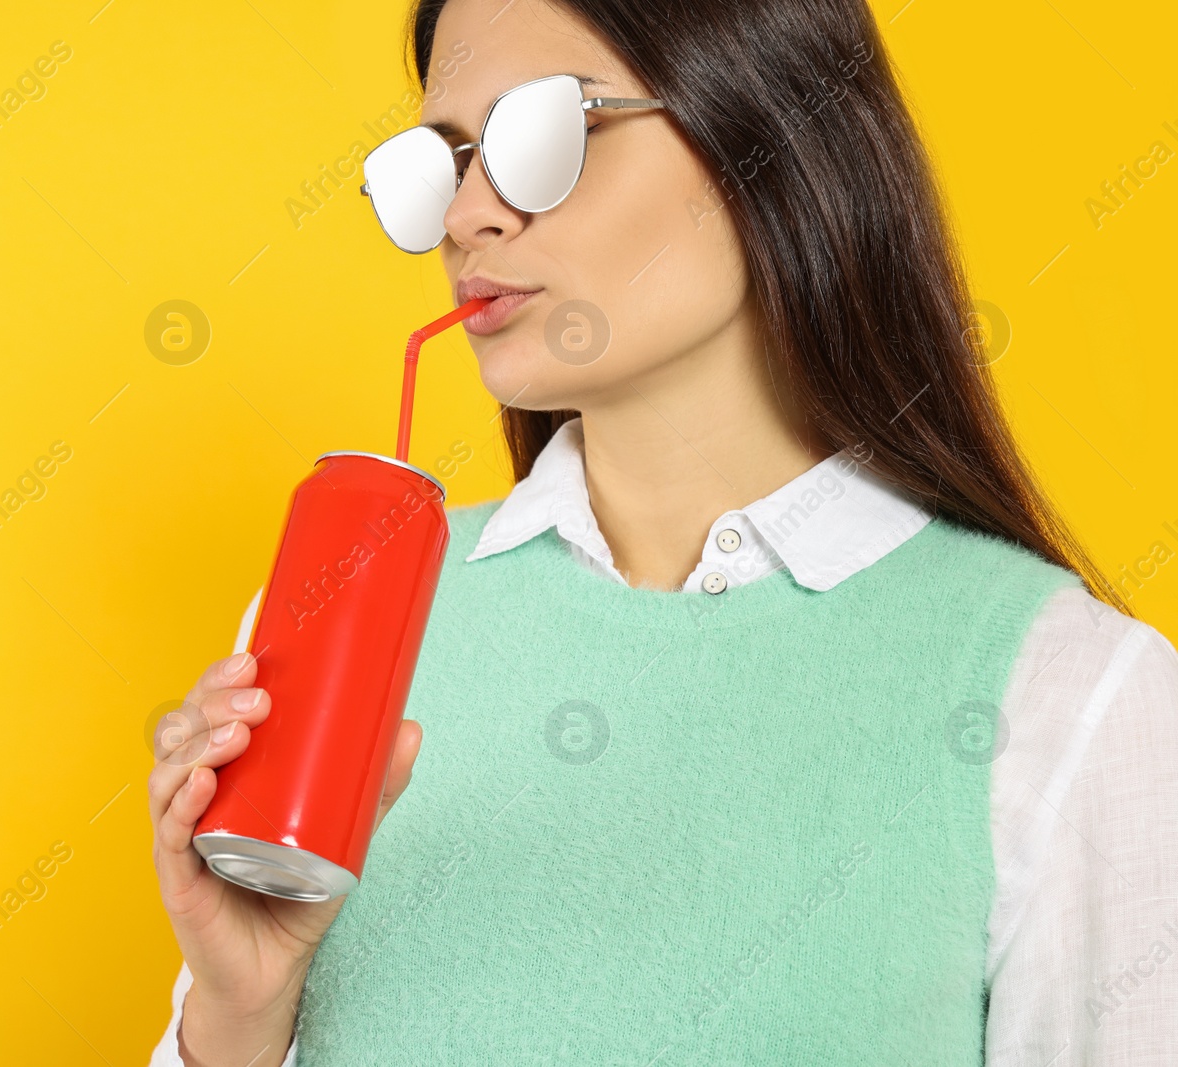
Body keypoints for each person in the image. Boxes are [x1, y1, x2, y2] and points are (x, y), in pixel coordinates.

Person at [147, 0, 1178, 1063]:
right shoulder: (334, 618)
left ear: (770, 136)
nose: (467, 215)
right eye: (447, 160)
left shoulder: (1070, 694)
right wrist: (237, 1012)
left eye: (539, 133)